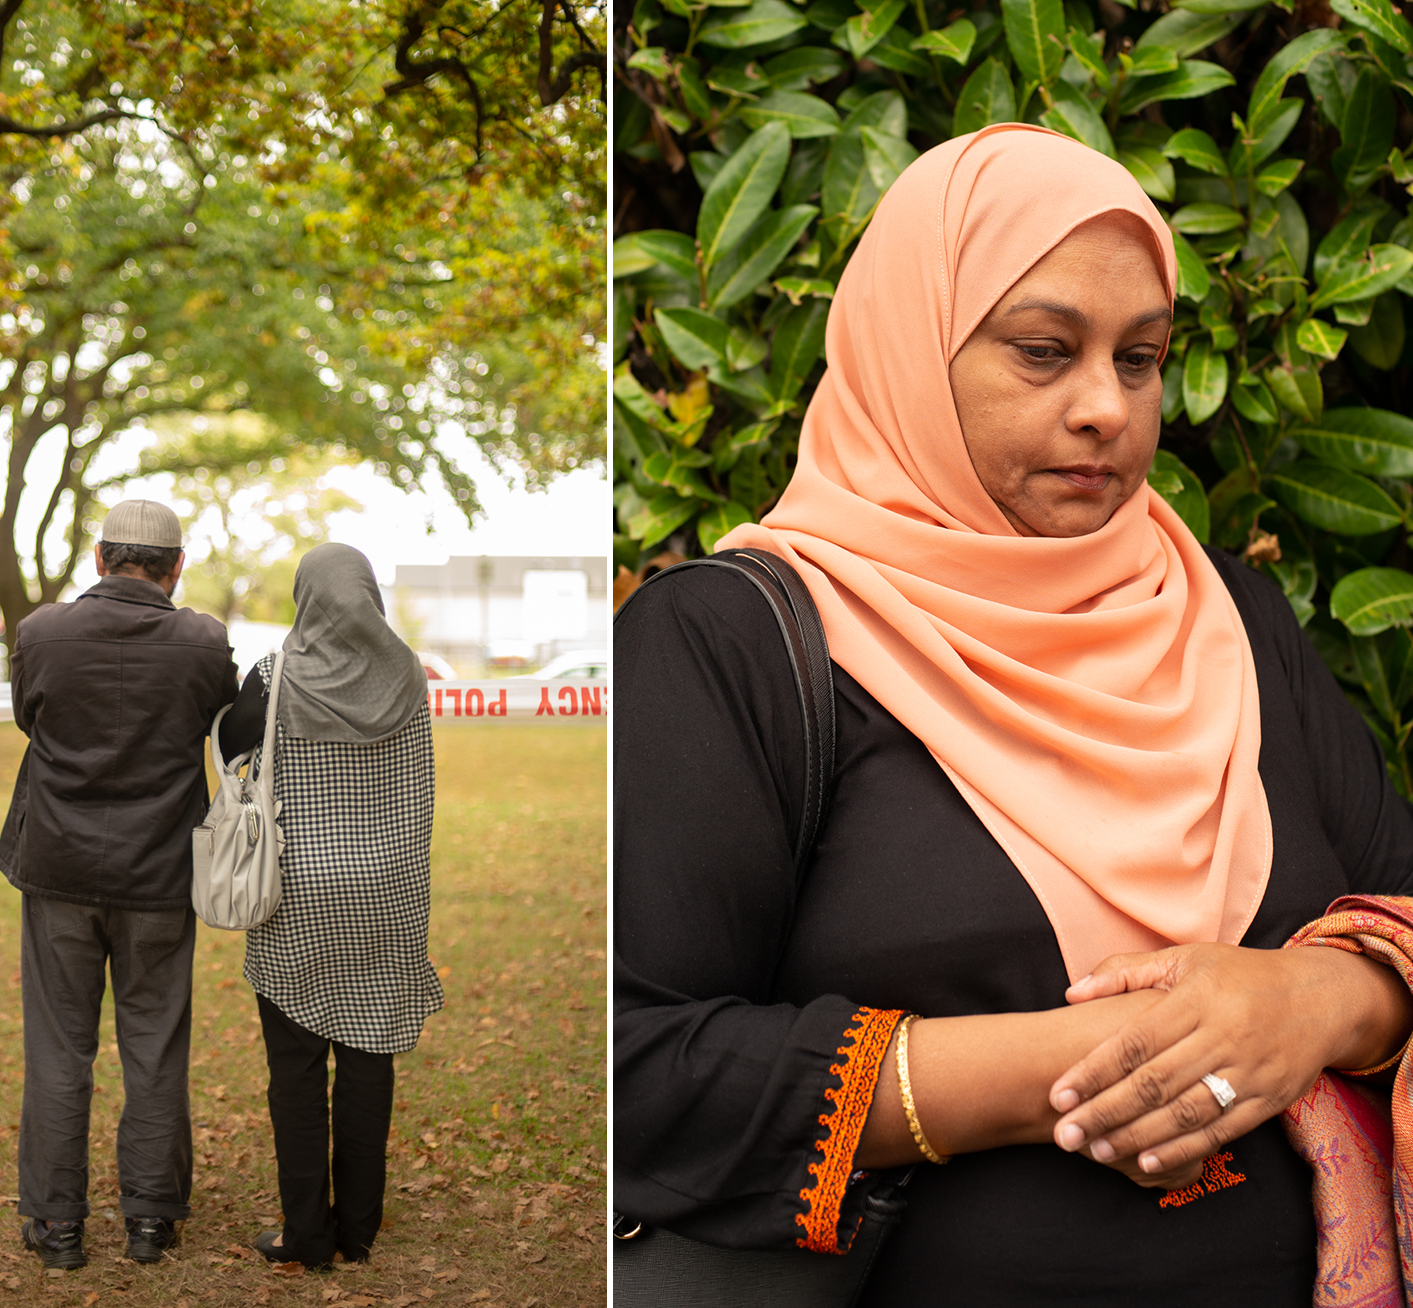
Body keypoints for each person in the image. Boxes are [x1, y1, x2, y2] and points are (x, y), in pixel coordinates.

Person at [614, 123, 1413, 1304]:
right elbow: (640, 1072)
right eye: (1043, 351)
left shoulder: (1230, 621)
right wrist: (1128, 1056)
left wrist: (1314, 1001)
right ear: (908, 351)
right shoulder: (731, 644)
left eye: (1138, 359)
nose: (1104, 406)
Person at [0, 498, 238, 1269]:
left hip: (61, 865)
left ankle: (58, 1224)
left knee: (59, 1047)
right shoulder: (204, 641)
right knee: (155, 1046)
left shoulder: (41, 632)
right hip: (161, 870)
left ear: (99, 559)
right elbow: (214, 720)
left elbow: (30, 720)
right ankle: (149, 1220)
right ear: (174, 568)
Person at [217, 542, 441, 1269]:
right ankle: (359, 1230)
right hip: (389, 890)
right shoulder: (408, 672)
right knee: (370, 1055)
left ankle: (306, 1233)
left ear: (305, 597)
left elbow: (226, 746)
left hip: (297, 894)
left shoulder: (272, 675)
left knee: (296, 1068)